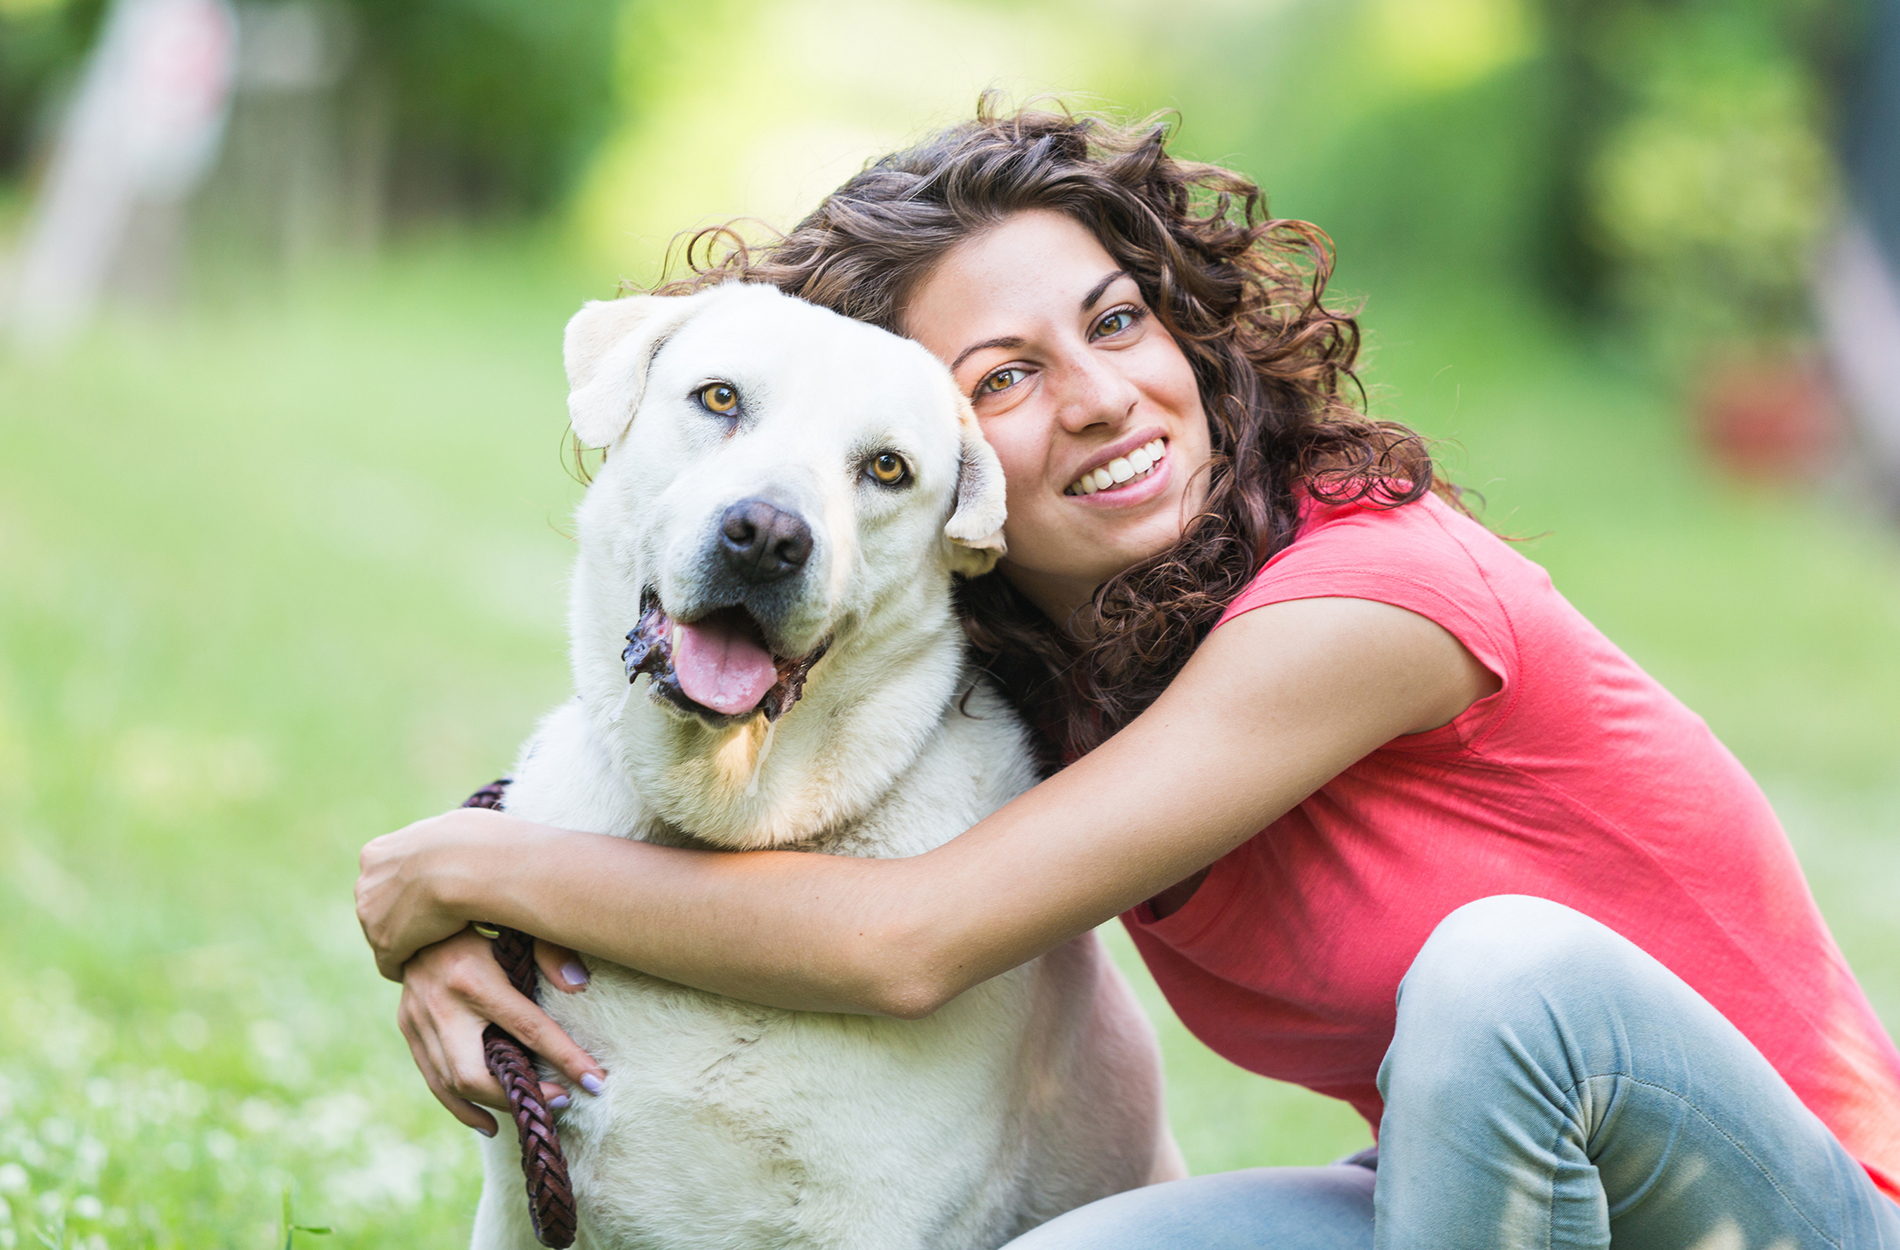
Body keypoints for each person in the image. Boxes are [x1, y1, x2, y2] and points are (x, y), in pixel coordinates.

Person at [355, 103, 1900, 1247]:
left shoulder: (1374, 595)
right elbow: (750, 805)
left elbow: (906, 937)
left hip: (1800, 1208)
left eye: (1116, 321)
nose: (1100, 398)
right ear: (942, 489)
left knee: (1507, 973)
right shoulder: (1072, 679)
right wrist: (465, 924)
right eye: (1007, 378)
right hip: (1482, 1205)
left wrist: (466, 864)